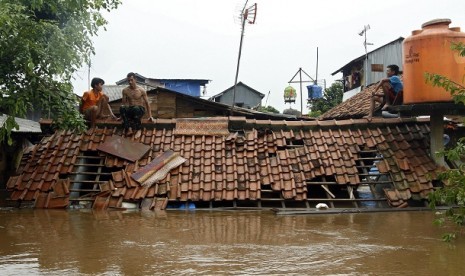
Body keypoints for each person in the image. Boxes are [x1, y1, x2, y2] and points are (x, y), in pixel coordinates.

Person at [120, 72, 154, 137]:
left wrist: (150, 116)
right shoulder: (125, 90)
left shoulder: (141, 90)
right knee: (122, 107)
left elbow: (147, 103)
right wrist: (121, 116)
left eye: (131, 80)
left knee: (136, 108)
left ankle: (138, 129)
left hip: (140, 110)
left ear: (135, 80)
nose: (130, 82)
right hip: (131, 110)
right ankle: (129, 129)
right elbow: (123, 103)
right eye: (128, 80)